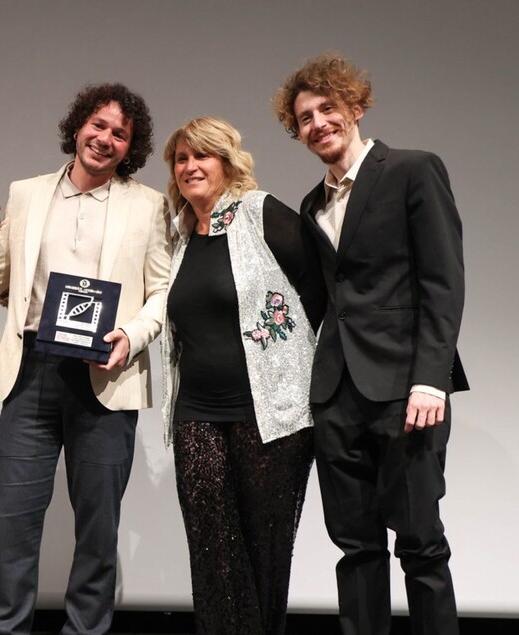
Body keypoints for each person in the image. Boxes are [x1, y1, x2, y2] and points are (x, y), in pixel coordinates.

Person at [274, 53, 469, 635]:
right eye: (305, 118)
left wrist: (431, 378)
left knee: (420, 542)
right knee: (356, 548)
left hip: (406, 391)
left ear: (356, 107)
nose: (317, 124)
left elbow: (443, 282)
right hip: (337, 396)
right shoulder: (311, 205)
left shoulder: (412, 170)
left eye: (327, 108)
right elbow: (321, 302)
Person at [0, 83, 171, 635]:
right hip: (32, 371)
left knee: (99, 528)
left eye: (120, 134)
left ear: (130, 148)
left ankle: (86, 630)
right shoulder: (27, 193)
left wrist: (131, 335)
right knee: (12, 524)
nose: (105, 139)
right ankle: (6, 628)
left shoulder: (149, 205)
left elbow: (163, 290)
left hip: (107, 375)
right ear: (78, 126)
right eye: (98, 125)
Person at [158, 117, 324, 635]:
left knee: (263, 551)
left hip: (271, 414)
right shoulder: (179, 234)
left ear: (227, 163)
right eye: (181, 158)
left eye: (202, 155)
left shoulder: (259, 212)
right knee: (212, 554)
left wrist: (289, 351)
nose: (190, 166)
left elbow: (318, 285)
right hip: (196, 413)